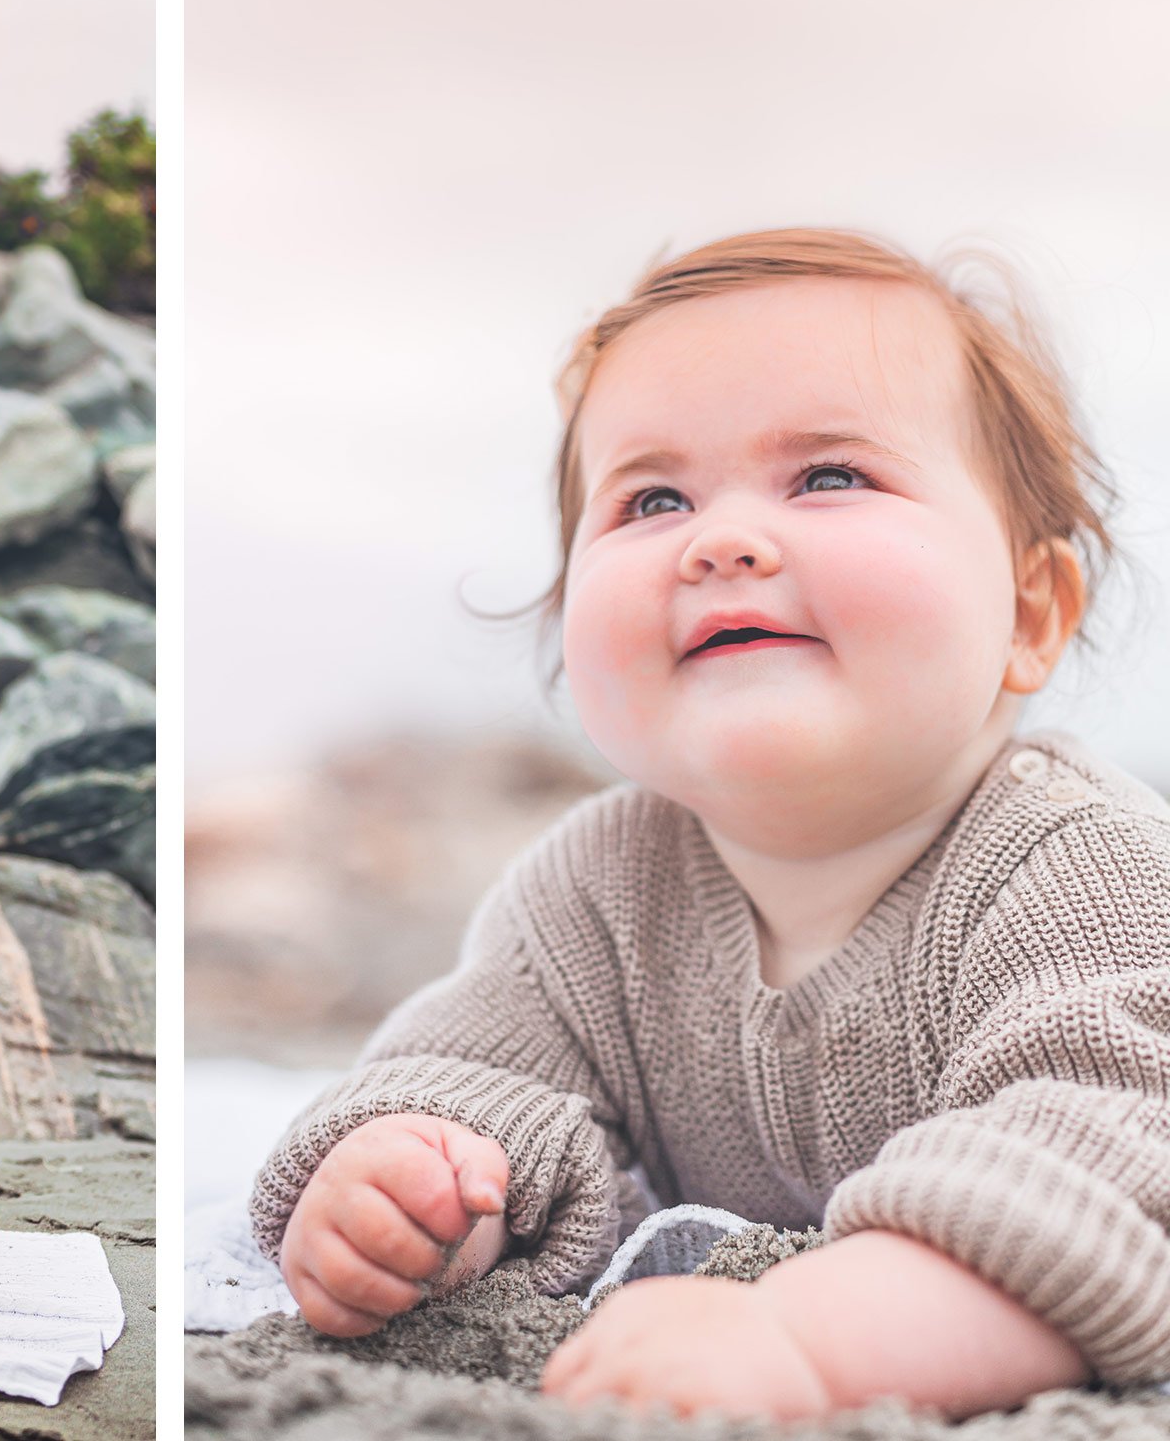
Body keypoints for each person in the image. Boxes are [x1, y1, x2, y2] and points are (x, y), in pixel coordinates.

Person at [252, 228, 1170, 1421]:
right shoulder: (599, 883)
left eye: (828, 476)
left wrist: (807, 1342)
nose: (719, 539)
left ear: (1029, 612)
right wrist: (418, 1176)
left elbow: (1102, 1170)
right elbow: (467, 1064)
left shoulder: (1074, 863)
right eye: (652, 497)